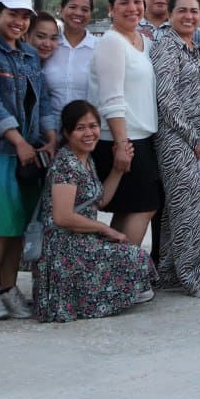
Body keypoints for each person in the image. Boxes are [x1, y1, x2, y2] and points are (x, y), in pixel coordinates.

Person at [33, 100, 156, 323]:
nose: (89, 133)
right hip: (64, 247)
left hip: (82, 241)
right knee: (134, 257)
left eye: (93, 126)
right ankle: (85, 300)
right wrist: (106, 229)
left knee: (133, 257)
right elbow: (62, 217)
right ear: (67, 133)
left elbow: (98, 201)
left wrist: (119, 170)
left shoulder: (86, 158)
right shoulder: (65, 163)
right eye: (80, 128)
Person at [0, 0, 58, 321]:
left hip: (29, 155)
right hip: (1, 152)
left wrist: (51, 137)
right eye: (12, 14)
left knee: (17, 228)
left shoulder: (28, 56)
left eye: (25, 16)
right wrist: (19, 141)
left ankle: (8, 288)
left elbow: (42, 102)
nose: (19, 22)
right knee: (0, 227)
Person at [150, 0, 200, 299]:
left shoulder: (193, 47)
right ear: (170, 14)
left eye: (194, 11)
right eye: (182, 10)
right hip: (176, 136)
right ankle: (194, 275)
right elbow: (166, 99)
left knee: (176, 207)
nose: (190, 16)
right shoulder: (166, 46)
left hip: (194, 135)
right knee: (188, 205)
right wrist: (192, 138)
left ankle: (168, 271)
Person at [87, 0, 160, 249]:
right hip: (123, 139)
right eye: (124, 2)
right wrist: (120, 143)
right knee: (144, 207)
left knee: (129, 209)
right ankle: (124, 273)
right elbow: (111, 97)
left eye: (137, 1)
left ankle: (110, 273)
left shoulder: (143, 42)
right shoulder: (111, 42)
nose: (133, 8)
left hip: (142, 137)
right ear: (111, 9)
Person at [44, 0, 98, 113]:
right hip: (49, 128)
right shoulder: (49, 46)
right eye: (73, 7)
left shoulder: (99, 48)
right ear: (61, 10)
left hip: (87, 129)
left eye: (85, 9)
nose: (78, 13)